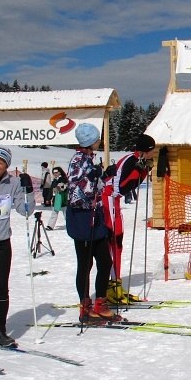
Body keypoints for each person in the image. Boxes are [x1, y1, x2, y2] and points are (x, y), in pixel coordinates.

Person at [66, 123, 120, 322]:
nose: (99, 141)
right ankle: (85, 305)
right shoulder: (78, 160)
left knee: (105, 262)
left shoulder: (88, 158)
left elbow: (94, 185)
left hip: (95, 218)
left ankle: (100, 302)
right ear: (89, 141)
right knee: (85, 263)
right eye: (97, 139)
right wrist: (92, 178)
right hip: (82, 219)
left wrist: (104, 175)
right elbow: (75, 193)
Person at [102, 133, 156, 303]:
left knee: (118, 243)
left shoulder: (137, 160)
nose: (154, 153)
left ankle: (115, 282)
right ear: (145, 150)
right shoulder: (130, 160)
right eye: (152, 150)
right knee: (113, 242)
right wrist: (139, 171)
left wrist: (144, 171)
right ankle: (111, 286)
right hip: (108, 199)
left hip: (115, 201)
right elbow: (121, 188)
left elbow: (132, 185)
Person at [0, 146, 35, 347]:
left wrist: (28, 190)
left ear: (6, 166)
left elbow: (25, 210)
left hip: (1, 244)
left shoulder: (12, 183)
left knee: (1, 289)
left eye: (0, 162)